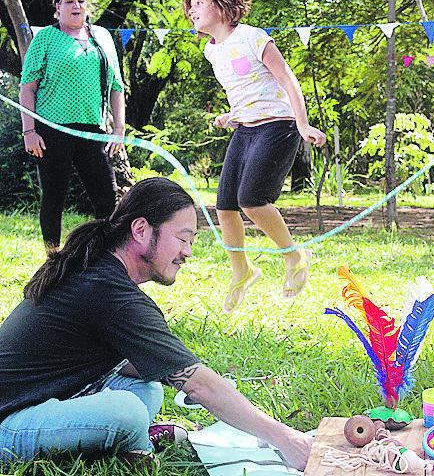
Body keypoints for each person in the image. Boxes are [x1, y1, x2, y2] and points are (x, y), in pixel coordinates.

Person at [0, 178, 312, 470]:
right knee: (127, 410)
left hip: (47, 398)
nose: (187, 252)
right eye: (182, 238)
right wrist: (285, 437)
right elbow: (198, 383)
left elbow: (140, 365)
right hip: (9, 423)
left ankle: (118, 438)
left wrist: (180, 371)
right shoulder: (109, 291)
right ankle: (136, 447)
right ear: (140, 230)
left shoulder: (101, 270)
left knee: (147, 390)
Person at [183, 0, 327, 313]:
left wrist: (303, 125)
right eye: (190, 6)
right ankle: (242, 271)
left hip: (278, 126)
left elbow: (288, 81)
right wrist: (231, 116)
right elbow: (245, 92)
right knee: (225, 206)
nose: (192, 10)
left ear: (222, 5)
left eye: (199, 3)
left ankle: (295, 256)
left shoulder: (253, 37)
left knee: (251, 200)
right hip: (245, 129)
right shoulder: (212, 51)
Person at [19, 0, 126, 252]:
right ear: (57, 10)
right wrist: (29, 132)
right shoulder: (45, 38)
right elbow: (27, 87)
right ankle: (52, 260)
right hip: (51, 131)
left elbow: (116, 87)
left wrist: (119, 129)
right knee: (54, 198)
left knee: (107, 199)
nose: (76, 5)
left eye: (80, 0)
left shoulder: (102, 37)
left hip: (92, 130)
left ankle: (106, 257)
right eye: (69, 1)